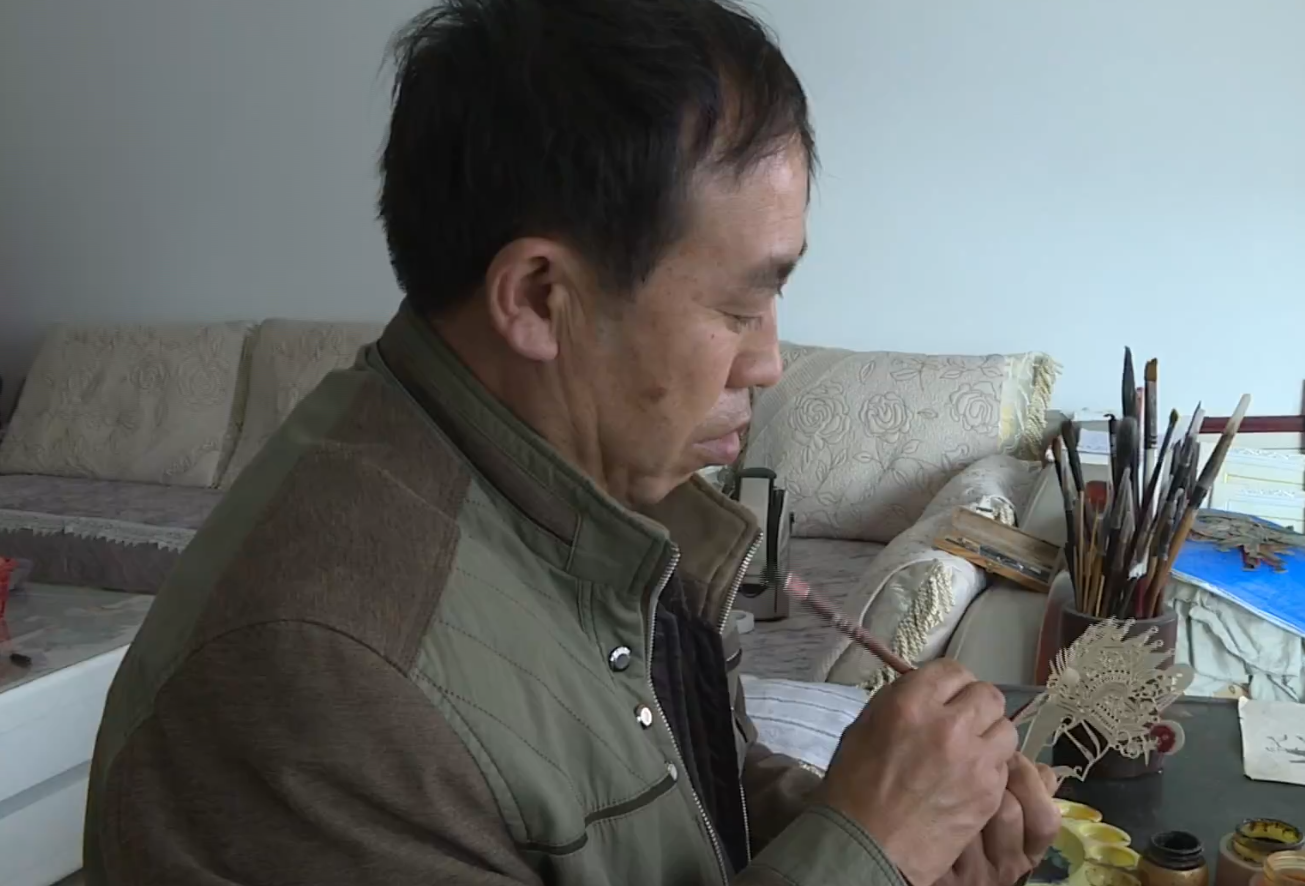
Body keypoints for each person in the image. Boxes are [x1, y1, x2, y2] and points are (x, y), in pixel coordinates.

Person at [81, 1, 1059, 884]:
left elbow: (670, 787)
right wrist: (867, 851)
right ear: (541, 299)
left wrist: (880, 819)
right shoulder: (328, 683)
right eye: (737, 306)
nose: (768, 360)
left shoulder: (592, 495)